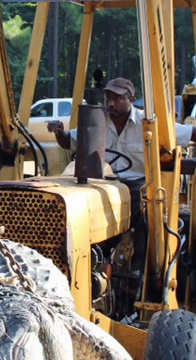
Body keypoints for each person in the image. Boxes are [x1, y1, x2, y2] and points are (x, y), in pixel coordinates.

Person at [47, 77, 196, 267]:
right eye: (108, 97)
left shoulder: (149, 122)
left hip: (137, 184)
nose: (111, 103)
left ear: (131, 100)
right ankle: (92, 259)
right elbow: (70, 141)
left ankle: (141, 267)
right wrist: (59, 132)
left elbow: (187, 133)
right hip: (104, 182)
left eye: (117, 98)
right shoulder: (98, 120)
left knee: (146, 210)